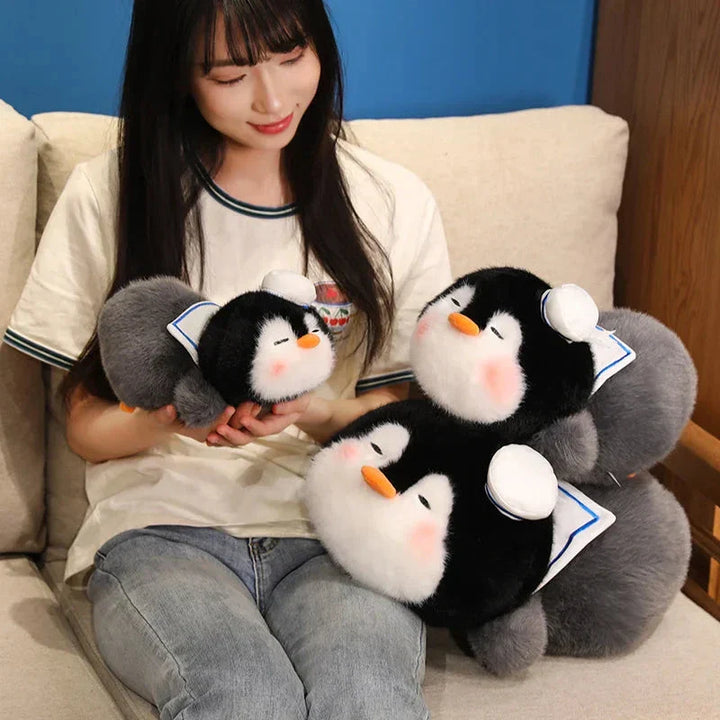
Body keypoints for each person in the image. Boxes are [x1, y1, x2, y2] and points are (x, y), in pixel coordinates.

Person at [3, 1, 452, 718]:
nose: (272, 99)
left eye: (291, 57)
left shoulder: (392, 201)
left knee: (369, 697)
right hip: (161, 531)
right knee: (244, 697)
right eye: (230, 74)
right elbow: (85, 427)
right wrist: (172, 417)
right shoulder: (110, 194)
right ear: (178, 74)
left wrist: (308, 412)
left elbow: (399, 421)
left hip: (336, 525)